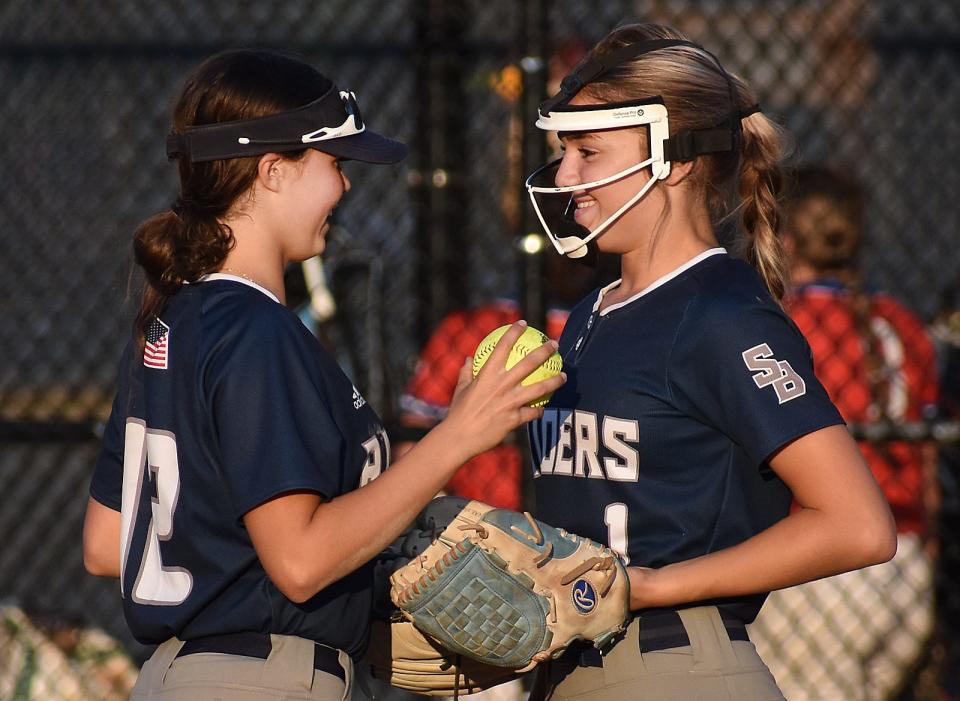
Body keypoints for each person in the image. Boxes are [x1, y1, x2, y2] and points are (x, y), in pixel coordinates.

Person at [80, 49, 564, 701]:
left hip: (178, 676)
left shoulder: (172, 322)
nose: (345, 186)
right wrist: (460, 436)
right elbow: (302, 563)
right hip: (265, 681)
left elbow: (109, 543)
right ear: (273, 171)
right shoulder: (258, 332)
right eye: (334, 164)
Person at [522, 22, 897, 700]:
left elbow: (857, 524)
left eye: (589, 150)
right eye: (562, 150)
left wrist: (655, 583)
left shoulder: (719, 311)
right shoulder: (592, 312)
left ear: (679, 158)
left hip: (672, 663)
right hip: (578, 668)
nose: (566, 174)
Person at [747, 166, 940, 700]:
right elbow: (926, 467)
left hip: (825, 562)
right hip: (905, 562)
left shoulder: (782, 323)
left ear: (782, 239)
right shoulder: (899, 320)